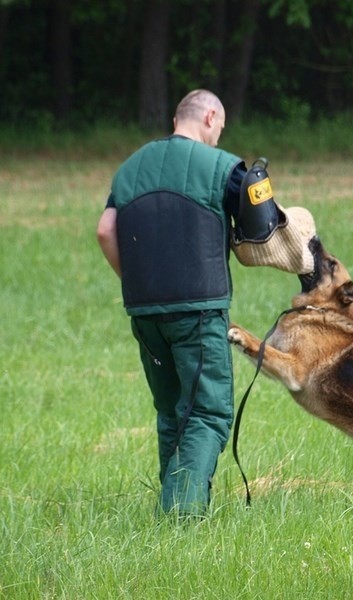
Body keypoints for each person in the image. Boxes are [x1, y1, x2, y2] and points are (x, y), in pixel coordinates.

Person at [96, 89, 256, 518]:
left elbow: (105, 230)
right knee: (206, 411)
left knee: (171, 411)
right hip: (198, 311)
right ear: (209, 117)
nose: (219, 137)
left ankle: (170, 503)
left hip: (145, 312)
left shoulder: (130, 168)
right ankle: (182, 516)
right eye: (219, 127)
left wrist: (137, 282)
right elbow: (263, 222)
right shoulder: (225, 168)